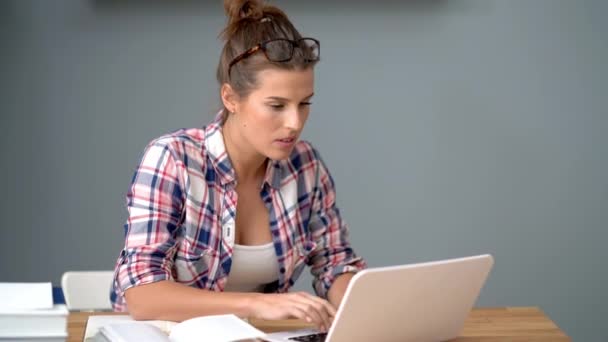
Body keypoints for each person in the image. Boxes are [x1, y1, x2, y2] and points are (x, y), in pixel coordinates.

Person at [110, 0, 366, 333]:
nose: (294, 122)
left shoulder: (306, 167)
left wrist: (365, 304)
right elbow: (143, 297)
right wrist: (260, 303)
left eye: (304, 104)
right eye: (276, 105)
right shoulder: (172, 159)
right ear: (231, 99)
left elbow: (334, 264)